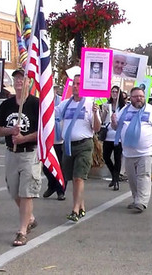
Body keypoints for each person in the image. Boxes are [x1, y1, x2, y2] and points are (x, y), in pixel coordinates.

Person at [0, 68, 40, 246]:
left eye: (23, 78)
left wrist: (23, 138)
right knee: (14, 191)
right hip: (11, 154)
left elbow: (43, 132)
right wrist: (10, 131)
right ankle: (30, 218)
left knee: (26, 192)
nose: (19, 81)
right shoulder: (7, 105)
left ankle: (22, 231)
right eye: (16, 79)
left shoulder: (36, 104)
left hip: (29, 153)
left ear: (29, 83)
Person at [111, 87, 152, 213]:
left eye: (141, 96)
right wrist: (114, 121)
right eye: (136, 96)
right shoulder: (124, 111)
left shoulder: (151, 111)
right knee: (132, 178)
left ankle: (142, 202)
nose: (139, 99)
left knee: (143, 176)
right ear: (131, 98)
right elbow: (116, 128)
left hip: (146, 151)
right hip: (128, 152)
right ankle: (136, 198)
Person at [56, 74, 101, 222]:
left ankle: (74, 210)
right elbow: (51, 112)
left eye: (79, 84)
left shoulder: (89, 104)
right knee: (71, 177)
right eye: (74, 84)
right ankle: (81, 206)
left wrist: (95, 113)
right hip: (68, 145)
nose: (75, 86)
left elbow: (97, 128)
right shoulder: (65, 104)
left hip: (84, 144)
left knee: (78, 178)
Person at [101, 85, 126, 191]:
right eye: (112, 91)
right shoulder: (107, 104)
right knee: (106, 157)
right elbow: (102, 120)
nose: (114, 93)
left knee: (117, 158)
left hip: (118, 136)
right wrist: (105, 112)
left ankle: (116, 180)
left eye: (116, 91)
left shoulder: (124, 107)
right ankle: (114, 175)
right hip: (108, 135)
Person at [42, 88, 66, 201]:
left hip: (60, 140)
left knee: (60, 167)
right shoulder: (43, 102)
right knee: (46, 167)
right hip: (48, 141)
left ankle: (60, 191)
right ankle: (51, 185)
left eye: (53, 89)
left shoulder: (62, 102)